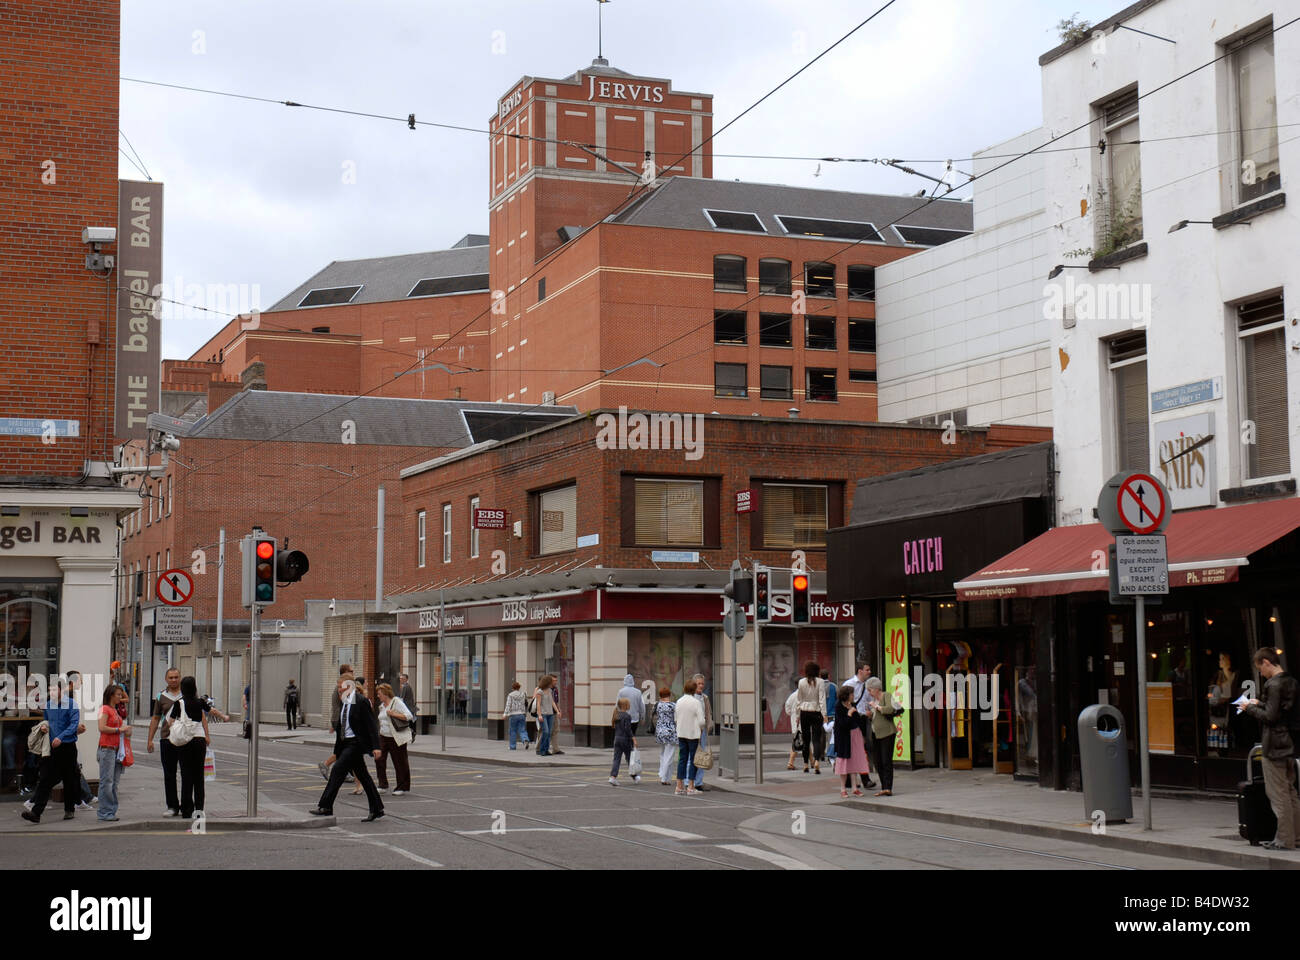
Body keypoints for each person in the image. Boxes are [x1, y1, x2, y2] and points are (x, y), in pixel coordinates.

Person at [1243, 647, 1300, 850]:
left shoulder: (1273, 684)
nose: (1260, 673)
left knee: (1279, 795)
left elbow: (1270, 717)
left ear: (1267, 662)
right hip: (1290, 745)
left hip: (1274, 745)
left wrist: (1249, 708)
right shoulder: (1291, 682)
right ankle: (1296, 836)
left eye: (1260, 668)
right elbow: (1280, 711)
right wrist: (1261, 703)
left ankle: (1285, 840)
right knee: (1291, 792)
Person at [310, 675, 385, 822]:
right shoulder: (344, 701)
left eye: (340, 687)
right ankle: (377, 808)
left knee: (337, 771)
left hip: (356, 743)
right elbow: (343, 724)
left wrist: (376, 747)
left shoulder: (361, 701)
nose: (338, 690)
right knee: (364, 776)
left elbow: (371, 725)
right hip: (346, 744)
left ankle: (326, 806)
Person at [20, 678, 80, 824]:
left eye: (54, 689)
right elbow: (46, 721)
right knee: (45, 778)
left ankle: (69, 809)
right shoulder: (48, 705)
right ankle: (36, 813)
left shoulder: (72, 704)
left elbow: (74, 725)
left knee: (69, 779)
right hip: (51, 748)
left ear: (62, 690)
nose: (51, 692)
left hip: (67, 747)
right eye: (50, 689)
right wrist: (43, 727)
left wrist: (60, 737)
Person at [167, 677, 210, 820]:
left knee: (186, 776)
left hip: (185, 741)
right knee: (199, 778)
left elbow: (170, 721)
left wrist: (175, 727)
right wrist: (224, 716)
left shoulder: (179, 703)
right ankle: (199, 810)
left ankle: (186, 810)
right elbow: (210, 712)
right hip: (199, 740)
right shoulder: (200, 702)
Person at [146, 667, 184, 816]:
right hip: (167, 739)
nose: (174, 680)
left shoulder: (186, 695)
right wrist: (150, 739)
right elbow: (155, 718)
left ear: (180, 678)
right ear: (166, 679)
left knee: (186, 774)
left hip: (185, 740)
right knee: (169, 774)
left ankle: (187, 805)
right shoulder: (161, 697)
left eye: (176, 677)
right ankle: (172, 806)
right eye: (171, 677)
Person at [96, 684, 130, 822]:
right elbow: (101, 727)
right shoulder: (105, 709)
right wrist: (119, 730)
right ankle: (105, 812)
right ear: (110, 695)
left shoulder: (114, 710)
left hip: (115, 750)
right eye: (118, 694)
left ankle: (110, 811)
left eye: (121, 694)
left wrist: (125, 730)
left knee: (114, 782)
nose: (120, 697)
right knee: (107, 782)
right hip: (107, 749)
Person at [841, 662, 878, 790]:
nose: (869, 672)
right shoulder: (849, 684)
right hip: (851, 720)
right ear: (860, 671)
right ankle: (854, 778)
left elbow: (869, 701)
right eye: (867, 669)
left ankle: (863, 778)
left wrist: (871, 710)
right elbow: (843, 704)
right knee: (853, 750)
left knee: (862, 749)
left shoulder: (867, 686)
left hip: (862, 720)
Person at [374, 683, 413, 795]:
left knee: (400, 762)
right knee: (379, 759)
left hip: (395, 737)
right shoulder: (382, 705)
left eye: (379, 693)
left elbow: (409, 716)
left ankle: (402, 787)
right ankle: (382, 785)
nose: (378, 695)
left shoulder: (397, 702)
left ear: (386, 693)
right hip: (383, 736)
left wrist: (393, 714)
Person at [833, 685, 870, 798]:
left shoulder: (852, 705)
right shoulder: (839, 706)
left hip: (855, 735)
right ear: (847, 695)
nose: (853, 696)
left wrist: (858, 715)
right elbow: (842, 724)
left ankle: (855, 788)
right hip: (844, 738)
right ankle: (843, 788)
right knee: (844, 762)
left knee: (854, 761)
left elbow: (857, 721)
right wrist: (849, 714)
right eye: (852, 694)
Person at [320, 664, 355, 781]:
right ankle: (328, 765)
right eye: (351, 671)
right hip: (342, 721)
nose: (353, 673)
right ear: (345, 673)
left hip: (341, 721)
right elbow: (344, 705)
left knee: (346, 748)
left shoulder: (345, 686)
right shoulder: (342, 687)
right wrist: (335, 723)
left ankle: (344, 771)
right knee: (344, 748)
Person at [866, 677, 897, 797]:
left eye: (870, 690)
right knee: (878, 761)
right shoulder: (875, 700)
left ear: (876, 689)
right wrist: (870, 715)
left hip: (887, 733)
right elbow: (876, 717)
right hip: (876, 734)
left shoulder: (886, 696)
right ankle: (884, 786)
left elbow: (890, 709)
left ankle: (888, 787)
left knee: (886, 760)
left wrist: (877, 707)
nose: (869, 692)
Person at [674, 678, 704, 796]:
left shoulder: (679, 701)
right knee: (693, 760)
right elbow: (701, 721)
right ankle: (691, 786)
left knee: (682, 759)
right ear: (694, 689)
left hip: (681, 733)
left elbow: (676, 719)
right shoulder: (695, 702)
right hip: (693, 734)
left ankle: (679, 785)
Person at [796, 661, 827, 774]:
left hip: (804, 711)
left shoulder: (801, 682)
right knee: (816, 738)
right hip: (816, 711)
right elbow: (822, 699)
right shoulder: (820, 682)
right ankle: (817, 761)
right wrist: (824, 714)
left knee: (806, 739)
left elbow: (799, 700)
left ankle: (805, 764)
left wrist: (797, 715)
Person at [762, 640, 797, 733]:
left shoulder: (799, 698)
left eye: (785, 655)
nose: (777, 664)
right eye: (767, 656)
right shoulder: (757, 701)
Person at [609, 697, 640, 785]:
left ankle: (613, 777)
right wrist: (633, 739)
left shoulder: (617, 715)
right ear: (626, 706)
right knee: (630, 759)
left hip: (617, 739)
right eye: (629, 704)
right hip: (625, 740)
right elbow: (628, 729)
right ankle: (635, 776)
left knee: (616, 759)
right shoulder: (627, 716)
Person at [651, 686, 678, 785]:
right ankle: (664, 776)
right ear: (669, 695)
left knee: (662, 754)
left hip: (660, 731)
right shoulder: (673, 705)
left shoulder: (657, 705)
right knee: (669, 756)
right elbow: (676, 718)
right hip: (670, 731)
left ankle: (665, 777)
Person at [691, 672, 712, 792]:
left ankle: (698, 782)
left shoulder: (705, 698)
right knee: (692, 756)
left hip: (702, 731)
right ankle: (689, 781)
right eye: (698, 683)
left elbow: (708, 713)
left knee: (702, 756)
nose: (700, 686)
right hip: (692, 730)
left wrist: (708, 725)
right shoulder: (690, 697)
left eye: (702, 683)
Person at [533, 675, 557, 756]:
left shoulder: (550, 690)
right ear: (547, 682)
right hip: (543, 714)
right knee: (545, 732)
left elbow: (552, 702)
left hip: (550, 714)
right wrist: (539, 715)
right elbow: (538, 704)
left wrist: (557, 711)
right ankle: (541, 750)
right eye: (551, 682)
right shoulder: (540, 692)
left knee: (549, 733)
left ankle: (546, 750)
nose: (552, 683)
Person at [504, 681, 530, 750]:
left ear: (512, 688)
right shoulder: (523, 694)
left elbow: (508, 705)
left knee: (512, 730)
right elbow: (526, 704)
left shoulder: (510, 695)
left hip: (513, 715)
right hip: (522, 714)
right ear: (519, 687)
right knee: (522, 729)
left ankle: (512, 746)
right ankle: (525, 740)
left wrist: (505, 714)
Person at [822, 669, 838, 763]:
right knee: (831, 735)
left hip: (821, 713)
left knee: (820, 735)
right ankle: (830, 753)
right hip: (832, 713)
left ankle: (820, 754)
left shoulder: (818, 686)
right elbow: (838, 698)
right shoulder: (834, 686)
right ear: (828, 675)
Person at [784, 689, 801, 771]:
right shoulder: (804, 695)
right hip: (801, 722)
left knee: (804, 741)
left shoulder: (792, 695)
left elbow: (787, 708)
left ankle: (812, 762)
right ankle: (790, 763)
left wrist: (791, 714)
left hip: (794, 721)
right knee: (797, 742)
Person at [399, 672, 417, 741]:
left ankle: (411, 732)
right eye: (400, 679)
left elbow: (401, 698)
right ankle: (412, 732)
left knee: (405, 722)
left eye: (402, 679)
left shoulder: (405, 687)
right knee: (409, 721)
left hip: (407, 708)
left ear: (406, 679)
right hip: (410, 707)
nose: (401, 680)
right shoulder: (408, 686)